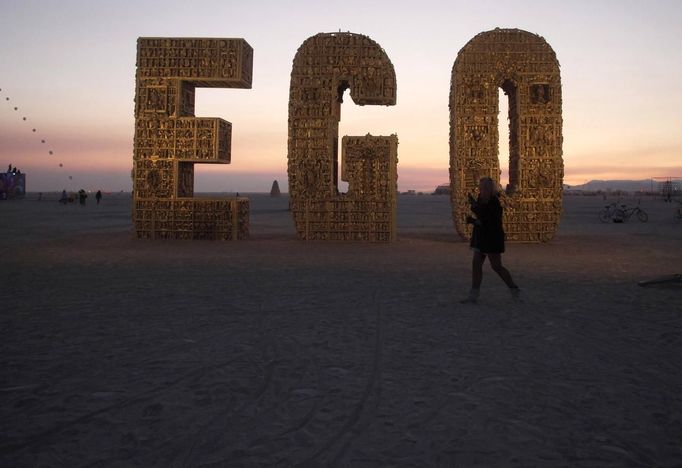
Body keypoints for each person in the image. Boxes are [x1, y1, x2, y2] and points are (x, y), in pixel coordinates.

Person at [461, 177, 520, 304]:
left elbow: (488, 221)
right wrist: (475, 207)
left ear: (488, 188)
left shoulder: (494, 202)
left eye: (482, 187)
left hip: (492, 238)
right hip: (481, 237)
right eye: (480, 186)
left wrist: (474, 218)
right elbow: (481, 215)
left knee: (496, 266)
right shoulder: (481, 199)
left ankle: (513, 288)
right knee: (476, 265)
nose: (480, 189)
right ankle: (473, 295)